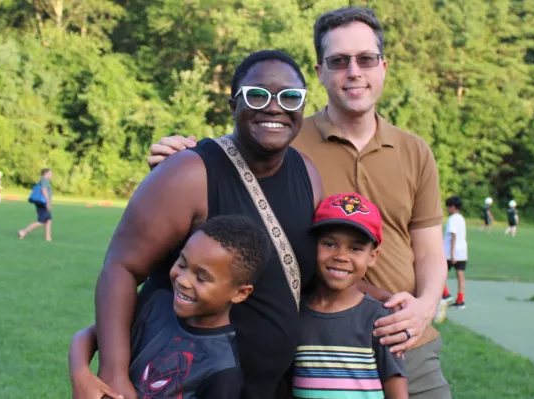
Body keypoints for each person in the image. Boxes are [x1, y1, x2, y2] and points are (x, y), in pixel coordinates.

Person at [145, 7, 452, 398]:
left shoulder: (414, 151)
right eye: (338, 61)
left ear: (383, 66)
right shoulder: (283, 135)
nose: (353, 71)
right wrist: (176, 155)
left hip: (403, 338)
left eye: (366, 59)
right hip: (315, 345)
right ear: (320, 72)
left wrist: (423, 308)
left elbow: (428, 249)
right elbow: (222, 162)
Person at [77, 50, 324, 399]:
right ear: (232, 105)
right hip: (182, 384)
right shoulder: (188, 173)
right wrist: (113, 373)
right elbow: (121, 268)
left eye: (289, 97)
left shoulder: (308, 175)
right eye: (257, 94)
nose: (274, 107)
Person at [68, 215, 270, 399]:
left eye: (201, 278)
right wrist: (81, 377)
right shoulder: (154, 303)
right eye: (182, 264)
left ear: (239, 293)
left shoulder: (222, 369)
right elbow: (87, 336)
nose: (183, 281)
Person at [296, 192, 407, 398]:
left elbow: (397, 390)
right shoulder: (296, 313)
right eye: (330, 244)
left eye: (355, 248)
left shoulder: (381, 319)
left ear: (372, 257)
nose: (341, 256)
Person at [440, 197, 468, 309]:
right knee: (460, 275)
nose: (447, 209)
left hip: (450, 252)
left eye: (448, 206)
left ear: (453, 207)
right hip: (462, 252)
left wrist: (452, 255)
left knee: (439, 273)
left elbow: (453, 236)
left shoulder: (452, 219)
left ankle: (445, 294)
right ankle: (460, 300)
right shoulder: (461, 218)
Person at [18, 168, 53, 241]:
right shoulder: (44, 180)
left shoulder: (42, 180)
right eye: (50, 173)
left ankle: (48, 238)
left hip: (42, 202)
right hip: (43, 202)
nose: (51, 175)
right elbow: (44, 191)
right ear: (46, 173)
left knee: (48, 220)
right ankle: (23, 232)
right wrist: (48, 203)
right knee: (41, 221)